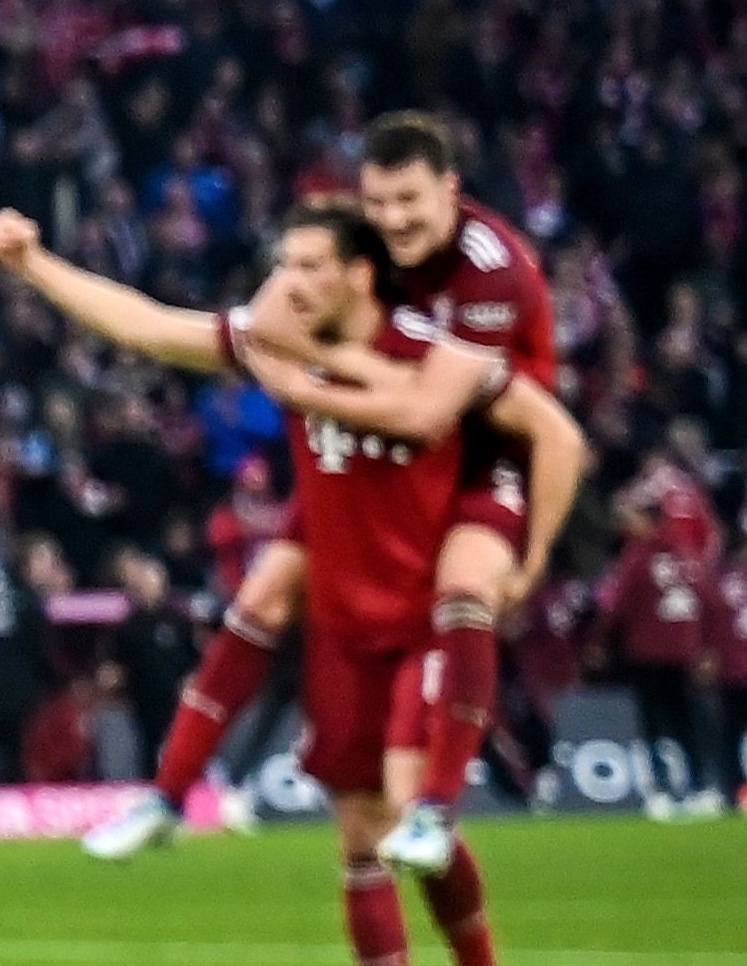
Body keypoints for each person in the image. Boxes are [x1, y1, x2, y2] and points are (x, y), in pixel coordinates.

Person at [0, 203, 585, 966]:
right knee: (360, 839)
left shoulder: (438, 353)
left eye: (308, 265)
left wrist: (526, 559)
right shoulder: (278, 337)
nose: (288, 282)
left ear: (359, 275)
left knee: (417, 820)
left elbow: (552, 430)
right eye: (284, 262)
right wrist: (35, 267)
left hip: (422, 614)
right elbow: (146, 325)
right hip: (344, 618)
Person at [92, 112, 553, 864]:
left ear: (451, 191)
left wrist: (299, 387)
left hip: (484, 450)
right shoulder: (361, 257)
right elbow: (171, 327)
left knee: (463, 590)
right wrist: (34, 267)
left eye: (411, 203)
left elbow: (438, 409)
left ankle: (443, 808)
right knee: (266, 594)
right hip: (372, 469)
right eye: (379, 204)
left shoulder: (489, 269)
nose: (394, 220)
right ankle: (168, 796)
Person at [603, 462, 726, 815]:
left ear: (647, 520)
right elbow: (712, 603)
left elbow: (616, 605)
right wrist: (708, 647)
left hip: (647, 654)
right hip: (686, 652)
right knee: (689, 721)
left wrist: (598, 642)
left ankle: (662, 791)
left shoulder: (638, 557)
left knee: (655, 725)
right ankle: (703, 787)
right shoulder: (687, 555)